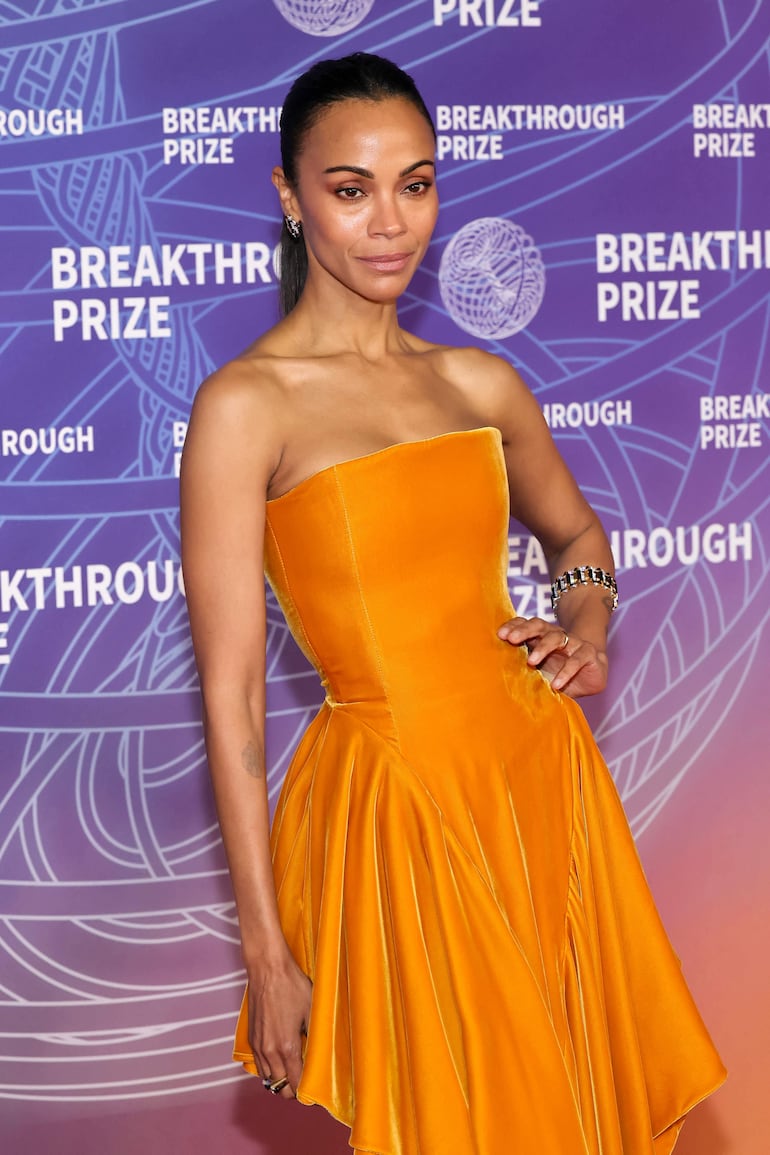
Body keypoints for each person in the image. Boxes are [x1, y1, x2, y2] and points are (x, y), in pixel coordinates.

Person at [180, 51, 725, 1155]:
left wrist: (583, 628)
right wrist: (267, 951)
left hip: (537, 787)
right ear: (289, 199)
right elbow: (233, 694)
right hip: (399, 818)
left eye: (415, 184)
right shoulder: (245, 406)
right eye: (350, 190)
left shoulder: (476, 384)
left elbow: (576, 540)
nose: (389, 224)